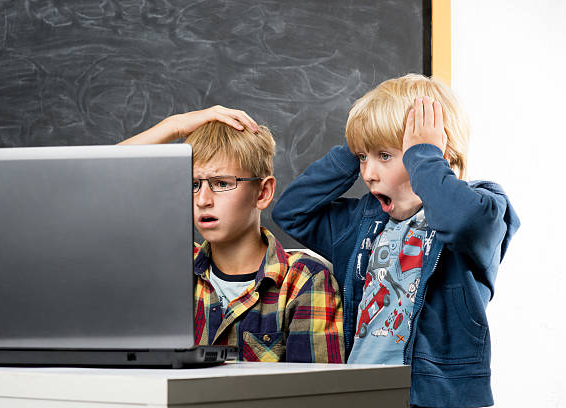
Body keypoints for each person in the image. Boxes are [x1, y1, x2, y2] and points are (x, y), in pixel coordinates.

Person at [272, 74, 520, 407]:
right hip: (364, 391)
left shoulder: (485, 208)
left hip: (437, 398)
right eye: (363, 158)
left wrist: (424, 157)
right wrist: (356, 145)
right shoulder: (363, 220)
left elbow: (460, 220)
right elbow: (291, 212)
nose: (368, 173)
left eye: (385, 156)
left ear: (437, 154)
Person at [120, 106, 344, 363]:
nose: (203, 199)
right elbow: (96, 183)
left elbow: (316, 391)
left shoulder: (302, 281)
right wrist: (175, 125)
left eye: (222, 183)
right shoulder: (173, 266)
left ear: (262, 193)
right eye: (193, 184)